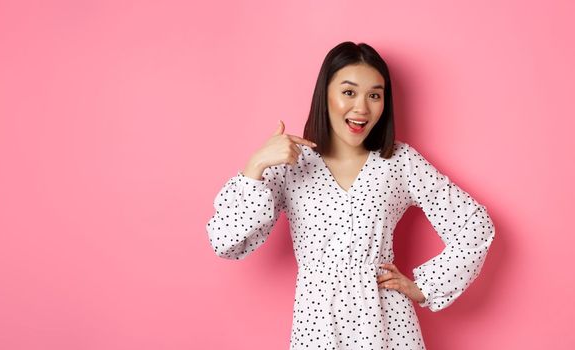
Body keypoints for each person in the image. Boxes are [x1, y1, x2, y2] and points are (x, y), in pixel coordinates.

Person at [205, 41, 495, 349]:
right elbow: (225, 242)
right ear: (325, 94)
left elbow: (475, 226)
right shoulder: (291, 163)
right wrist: (256, 165)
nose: (362, 108)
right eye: (348, 92)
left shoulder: (399, 162)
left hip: (389, 327)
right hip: (317, 327)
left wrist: (426, 287)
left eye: (374, 95)